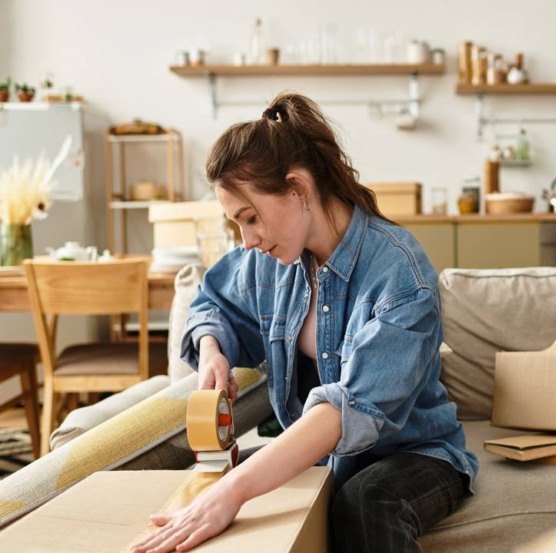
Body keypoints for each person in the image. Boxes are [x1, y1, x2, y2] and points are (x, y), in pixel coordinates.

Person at [130, 92, 477, 553]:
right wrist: (213, 348)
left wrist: (232, 494)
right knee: (195, 486)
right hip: (324, 455)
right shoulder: (270, 260)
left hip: (413, 452)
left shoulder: (401, 275)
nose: (247, 240)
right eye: (237, 225)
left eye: (250, 218)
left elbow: (346, 412)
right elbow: (214, 301)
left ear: (296, 188)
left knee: (363, 500)